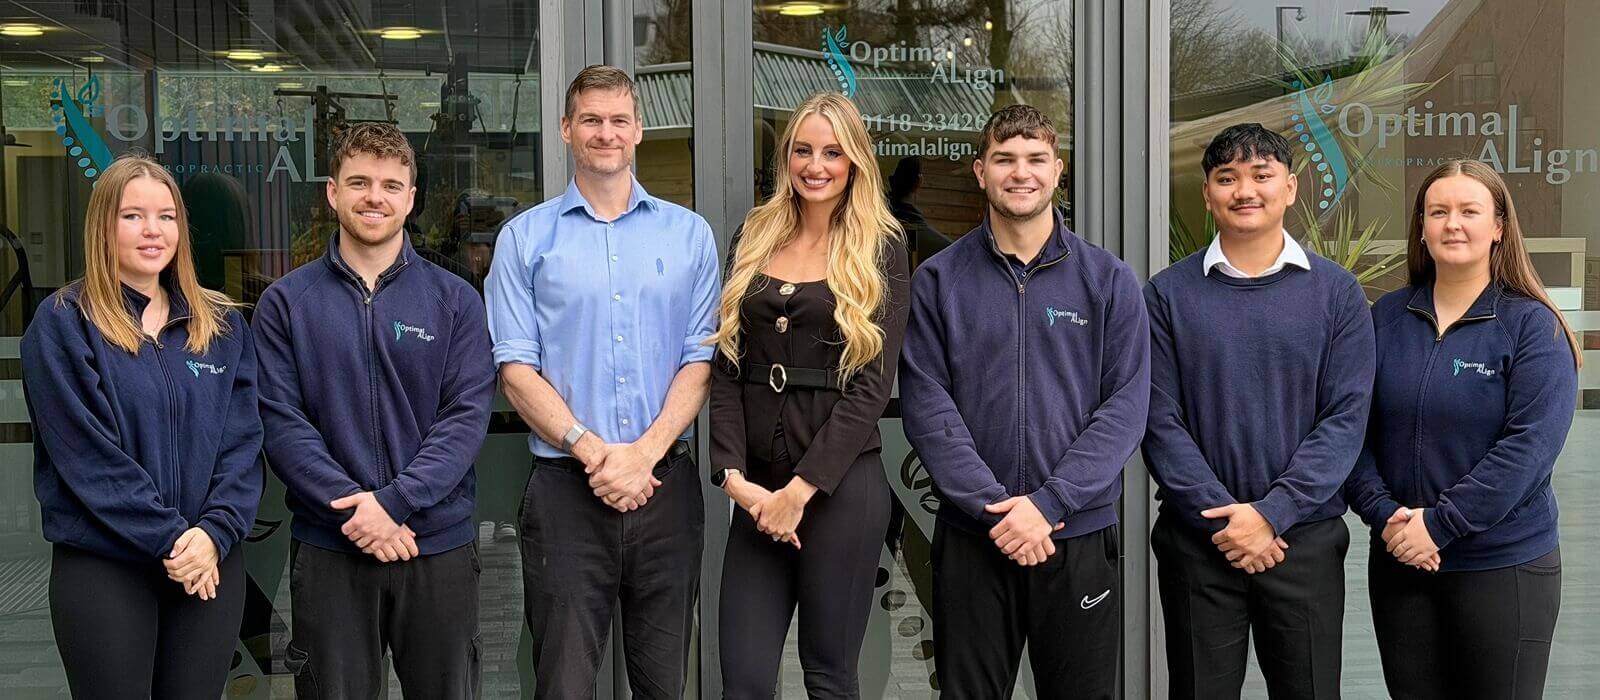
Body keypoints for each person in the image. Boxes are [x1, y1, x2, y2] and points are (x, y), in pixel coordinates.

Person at [484, 64, 720, 698]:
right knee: (562, 684)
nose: (605, 133)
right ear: (566, 129)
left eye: (619, 119)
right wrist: (596, 454)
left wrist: (643, 455)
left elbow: (700, 363)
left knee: (664, 684)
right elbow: (515, 370)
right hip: (564, 494)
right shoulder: (523, 240)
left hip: (665, 486)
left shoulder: (690, 235)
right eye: (591, 119)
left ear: (638, 129)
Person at [899, 104, 1150, 699]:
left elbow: (1125, 407)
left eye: (1036, 159)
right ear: (980, 171)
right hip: (974, 538)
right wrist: (997, 510)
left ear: (1057, 170)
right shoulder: (939, 281)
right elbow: (927, 406)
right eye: (1005, 159)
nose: (1021, 173)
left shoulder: (1108, 280)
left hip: (1077, 535)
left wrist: (1048, 504)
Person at [253, 122, 495, 698]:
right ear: (332, 192)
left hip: (433, 544)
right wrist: (358, 513)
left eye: (390, 185)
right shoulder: (286, 304)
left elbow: (464, 418)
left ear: (410, 200)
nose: (374, 197)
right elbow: (282, 425)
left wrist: (396, 502)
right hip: (332, 546)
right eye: (358, 182)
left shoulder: (455, 299)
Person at [1141, 123, 1375, 699]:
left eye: (1261, 175)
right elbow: (1158, 419)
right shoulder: (1167, 295)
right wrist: (1228, 518)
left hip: (1304, 541)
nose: (1245, 190)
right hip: (1201, 543)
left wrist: (1273, 513)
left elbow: (1345, 419)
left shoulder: (1338, 294)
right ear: (1207, 194)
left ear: (1291, 188)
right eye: (1227, 178)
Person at [22, 153, 263, 699]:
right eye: (132, 216)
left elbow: (243, 446)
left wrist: (213, 533)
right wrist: (175, 539)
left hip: (208, 560)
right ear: (103, 226)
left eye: (166, 216)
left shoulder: (221, 325)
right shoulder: (63, 324)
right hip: (107, 567)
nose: (152, 231)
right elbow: (87, 458)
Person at [1345, 159, 1580, 700]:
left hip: (1502, 565)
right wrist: (1389, 519)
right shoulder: (1385, 319)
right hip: (1402, 560)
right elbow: (1350, 430)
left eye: (1470, 211)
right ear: (1422, 228)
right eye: (1438, 211)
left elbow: (1529, 449)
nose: (1453, 223)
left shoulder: (1531, 327)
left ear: (1498, 226)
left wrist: (1441, 525)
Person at [708, 91, 910, 698]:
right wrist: (734, 480)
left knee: (828, 675)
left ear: (855, 163)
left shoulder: (883, 245)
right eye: (802, 150)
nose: (815, 165)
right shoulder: (755, 232)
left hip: (840, 491)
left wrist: (799, 493)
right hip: (756, 496)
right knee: (742, 678)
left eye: (832, 152)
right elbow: (725, 367)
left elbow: (873, 386)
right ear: (786, 157)